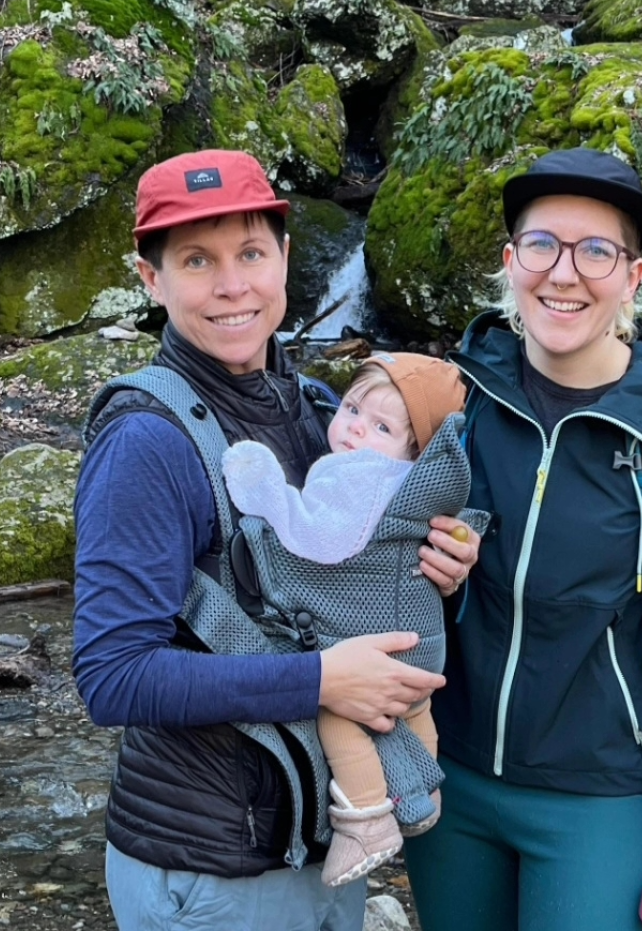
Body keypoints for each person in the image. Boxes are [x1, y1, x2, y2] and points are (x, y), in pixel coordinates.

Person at [71, 149, 480, 931]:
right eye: (198, 260)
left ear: (285, 258)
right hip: (208, 872)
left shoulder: (319, 409)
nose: (233, 286)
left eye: (251, 253)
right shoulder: (144, 444)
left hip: (312, 850)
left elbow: (345, 569)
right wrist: (320, 680)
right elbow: (113, 676)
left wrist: (437, 560)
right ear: (150, 279)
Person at [403, 147, 642, 931]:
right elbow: (363, 552)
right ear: (511, 262)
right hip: (450, 778)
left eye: (596, 250)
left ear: (634, 276)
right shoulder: (458, 403)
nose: (564, 274)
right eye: (542, 245)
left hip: (603, 796)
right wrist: (431, 571)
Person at [222, 353, 485, 888]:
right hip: (420, 642)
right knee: (413, 711)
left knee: (337, 713)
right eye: (352, 408)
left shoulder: (361, 477)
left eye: (383, 427)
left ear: (416, 449)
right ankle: (420, 795)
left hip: (376, 642)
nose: (357, 428)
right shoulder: (414, 482)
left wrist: (263, 488)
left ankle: (367, 818)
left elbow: (318, 537)